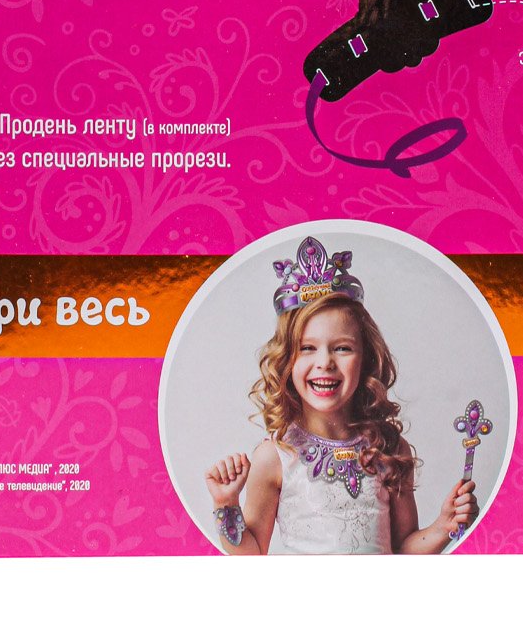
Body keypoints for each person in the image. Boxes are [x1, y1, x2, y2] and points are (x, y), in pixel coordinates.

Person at [204, 235, 478, 554]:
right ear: (286, 361)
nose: (325, 362)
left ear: (366, 359)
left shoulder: (388, 449)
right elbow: (252, 557)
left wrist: (443, 526)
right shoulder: (275, 457)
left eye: (343, 348)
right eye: (307, 348)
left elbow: (404, 552)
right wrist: (226, 504)